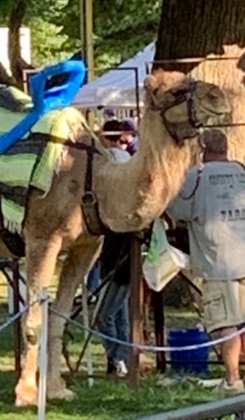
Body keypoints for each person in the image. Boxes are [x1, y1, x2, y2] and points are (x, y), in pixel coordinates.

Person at [167, 129, 245, 395]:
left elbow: (179, 211)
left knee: (226, 322)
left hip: (217, 257)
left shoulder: (196, 175)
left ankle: (232, 380)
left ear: (202, 149)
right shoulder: (244, 171)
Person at [96, 119, 132, 377]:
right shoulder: (127, 161)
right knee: (120, 315)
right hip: (120, 261)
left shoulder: (110, 160)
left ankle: (117, 357)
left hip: (118, 263)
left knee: (105, 316)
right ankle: (122, 358)